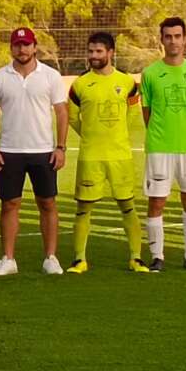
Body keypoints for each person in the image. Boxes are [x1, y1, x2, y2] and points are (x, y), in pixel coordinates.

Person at [0, 27, 68, 276]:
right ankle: (8, 259)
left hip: (43, 150)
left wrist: (60, 147)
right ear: (11, 47)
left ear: (34, 46)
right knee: (10, 204)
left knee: (47, 202)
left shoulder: (51, 76)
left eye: (26, 44)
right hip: (9, 151)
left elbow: (61, 112)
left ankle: (51, 258)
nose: (22, 49)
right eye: (17, 45)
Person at [67, 32, 146, 273]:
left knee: (128, 206)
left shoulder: (128, 83)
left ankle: (136, 258)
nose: (93, 55)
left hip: (120, 155)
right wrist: (90, 135)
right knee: (83, 208)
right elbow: (72, 118)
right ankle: (79, 260)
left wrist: (117, 135)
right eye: (91, 51)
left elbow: (132, 114)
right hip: (91, 156)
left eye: (98, 51)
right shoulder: (79, 85)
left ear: (111, 53)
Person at [140, 16, 186, 271]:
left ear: (185, 39)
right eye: (168, 36)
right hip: (159, 147)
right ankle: (157, 257)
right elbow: (147, 113)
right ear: (162, 40)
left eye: (177, 36)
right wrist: (161, 133)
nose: (173, 41)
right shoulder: (150, 73)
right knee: (156, 202)